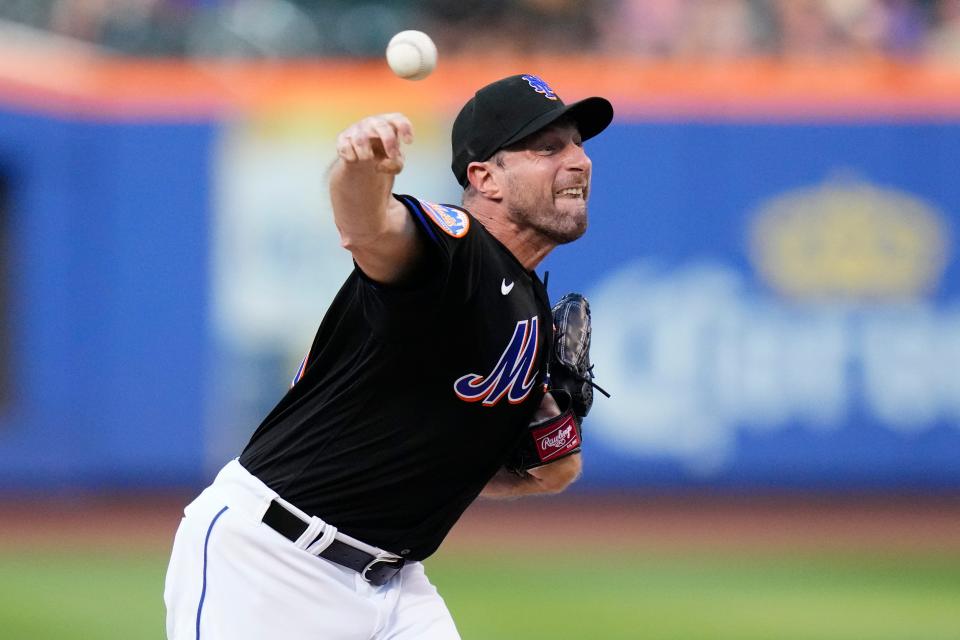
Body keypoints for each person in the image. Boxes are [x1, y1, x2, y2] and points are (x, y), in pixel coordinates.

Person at [164, 73, 613, 640]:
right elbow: (370, 229)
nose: (578, 160)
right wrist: (359, 167)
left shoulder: (530, 311)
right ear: (485, 178)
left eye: (578, 144)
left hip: (397, 586)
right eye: (548, 147)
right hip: (269, 563)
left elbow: (553, 473)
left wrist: (551, 437)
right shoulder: (457, 250)